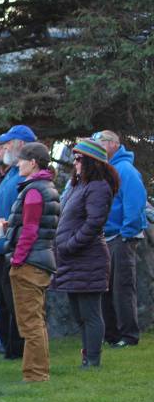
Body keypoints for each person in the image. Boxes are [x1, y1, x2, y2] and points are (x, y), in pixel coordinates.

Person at [0, 143, 60, 382]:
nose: (18, 163)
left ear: (33, 163)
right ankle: (38, 371)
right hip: (41, 260)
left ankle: (35, 374)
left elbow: (30, 230)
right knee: (36, 321)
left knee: (30, 323)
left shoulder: (33, 191)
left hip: (30, 263)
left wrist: (17, 260)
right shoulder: (46, 187)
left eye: (21, 160)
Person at [51, 139, 118, 369]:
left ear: (91, 162)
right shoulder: (79, 186)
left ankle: (93, 359)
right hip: (72, 259)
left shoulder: (98, 187)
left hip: (88, 259)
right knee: (79, 313)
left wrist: (70, 244)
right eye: (74, 159)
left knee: (90, 313)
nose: (75, 163)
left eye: (79, 159)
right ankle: (87, 356)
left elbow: (94, 223)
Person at [92, 130, 149, 348]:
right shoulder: (107, 169)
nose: (98, 146)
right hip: (108, 237)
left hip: (121, 238)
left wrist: (126, 234)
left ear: (114, 144)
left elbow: (135, 204)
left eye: (101, 142)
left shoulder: (125, 169)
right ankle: (113, 335)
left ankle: (129, 336)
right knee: (106, 289)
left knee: (122, 288)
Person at [0, 124, 37, 359]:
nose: (3, 147)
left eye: (7, 142)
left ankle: (17, 349)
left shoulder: (25, 177)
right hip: (0, 246)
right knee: (3, 301)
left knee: (14, 302)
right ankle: (7, 346)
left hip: (13, 248)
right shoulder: (10, 173)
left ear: (21, 144)